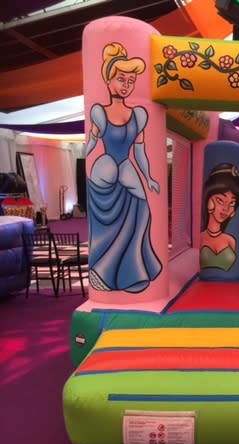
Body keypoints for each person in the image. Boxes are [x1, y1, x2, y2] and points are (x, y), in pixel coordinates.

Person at [85, 42, 161, 293]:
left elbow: (139, 150)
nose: (126, 85)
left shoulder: (138, 115)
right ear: (108, 81)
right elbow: (92, 142)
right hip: (105, 166)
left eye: (131, 80)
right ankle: (101, 271)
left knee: (143, 211)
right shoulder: (99, 112)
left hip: (126, 165)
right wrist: (85, 162)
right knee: (105, 220)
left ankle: (133, 272)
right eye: (121, 79)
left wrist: (148, 178)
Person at [200, 163, 239, 271]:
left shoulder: (231, 241)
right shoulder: (200, 237)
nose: (226, 208)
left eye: (232, 203)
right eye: (220, 200)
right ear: (208, 200)